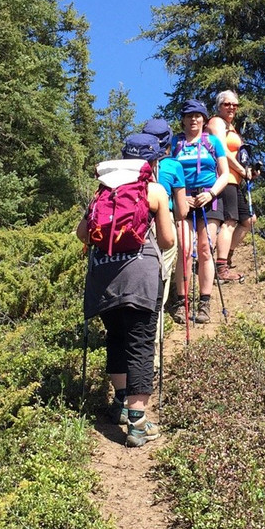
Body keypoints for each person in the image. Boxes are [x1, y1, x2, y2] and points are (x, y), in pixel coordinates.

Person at [76, 133, 175, 448]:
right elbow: (168, 240)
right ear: (153, 160)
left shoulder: (103, 191)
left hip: (104, 277)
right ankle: (138, 424)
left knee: (116, 337)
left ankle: (120, 404)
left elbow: (82, 234)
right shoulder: (153, 190)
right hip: (140, 275)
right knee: (140, 343)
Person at [171, 99, 230, 324]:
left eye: (198, 115)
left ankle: (205, 302)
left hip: (209, 198)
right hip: (182, 198)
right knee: (184, 248)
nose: (194, 119)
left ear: (204, 119)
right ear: (183, 120)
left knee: (206, 248)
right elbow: (167, 170)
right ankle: (181, 301)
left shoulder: (213, 142)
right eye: (189, 115)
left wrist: (212, 193)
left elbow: (224, 173)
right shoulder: (175, 142)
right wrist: (179, 195)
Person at [141, 118, 190, 323]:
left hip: (134, 223)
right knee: (161, 273)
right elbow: (182, 211)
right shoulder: (172, 166)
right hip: (163, 221)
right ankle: (155, 324)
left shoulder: (133, 164)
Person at [205, 90, 257, 281]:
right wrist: (242, 171)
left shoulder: (231, 127)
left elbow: (237, 156)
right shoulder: (217, 122)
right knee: (229, 221)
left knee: (249, 220)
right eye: (227, 104)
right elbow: (222, 151)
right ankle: (221, 268)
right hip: (223, 178)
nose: (232, 107)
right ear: (219, 106)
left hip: (234, 180)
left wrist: (248, 171)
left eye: (235, 104)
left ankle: (226, 257)